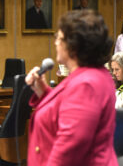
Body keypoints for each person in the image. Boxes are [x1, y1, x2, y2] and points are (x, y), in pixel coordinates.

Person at [25, 10, 118, 166]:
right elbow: (65, 111)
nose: (55, 42)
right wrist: (43, 92)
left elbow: (70, 146)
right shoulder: (89, 76)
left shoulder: (86, 84)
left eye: (59, 38)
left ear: (74, 46)